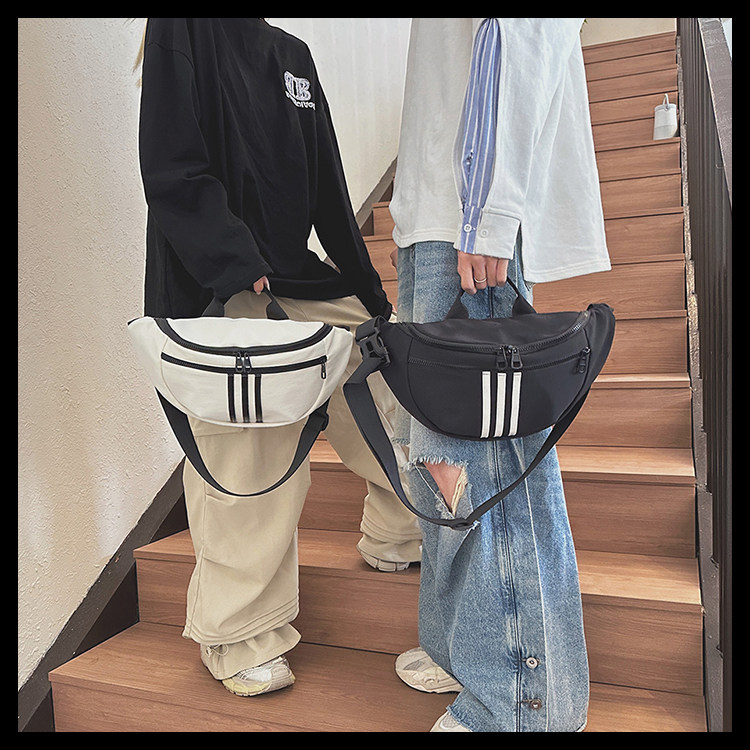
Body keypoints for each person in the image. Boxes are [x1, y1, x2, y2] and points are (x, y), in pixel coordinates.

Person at [136, 18, 422, 697]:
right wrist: (238, 263)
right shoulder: (182, 28)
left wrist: (367, 290)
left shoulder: (294, 55)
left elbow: (328, 187)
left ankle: (397, 531)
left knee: (383, 381)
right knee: (249, 457)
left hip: (299, 275)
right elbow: (172, 167)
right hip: (222, 284)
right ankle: (239, 633)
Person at [388, 18, 611, 732]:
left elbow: (519, 30)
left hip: (466, 213)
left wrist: (487, 213)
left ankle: (521, 703)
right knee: (440, 457)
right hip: (438, 211)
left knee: (484, 463)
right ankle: (466, 648)